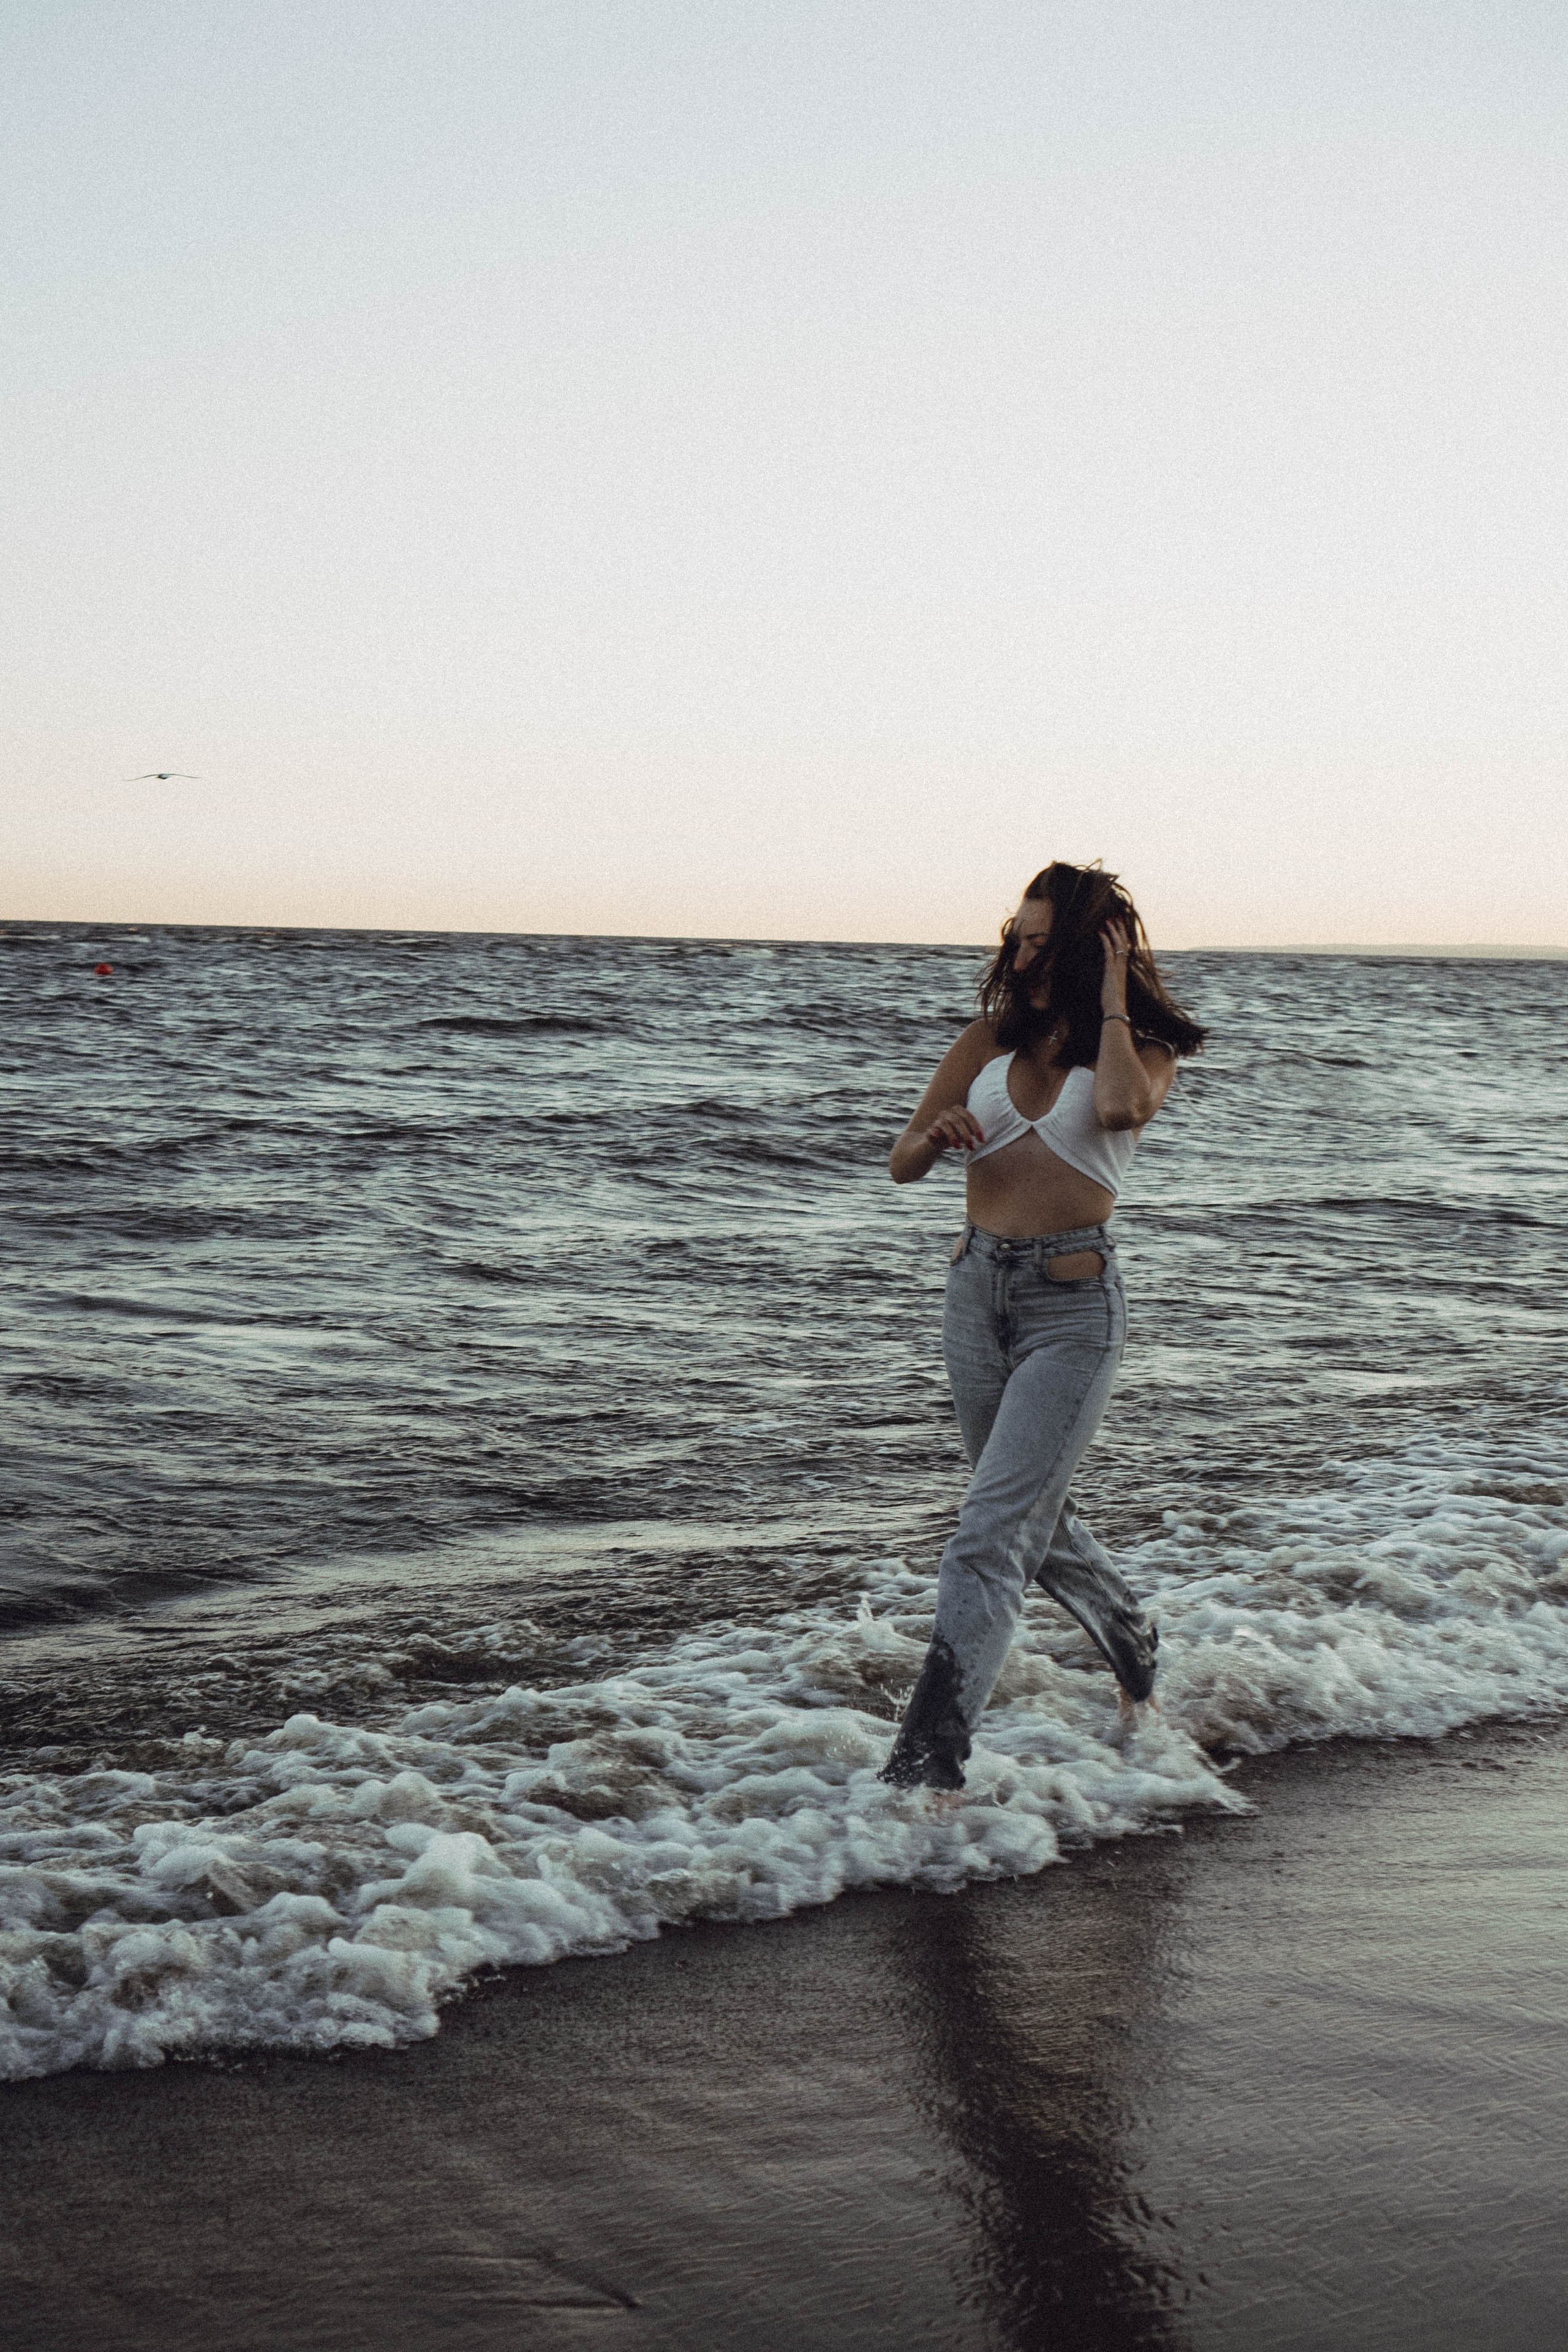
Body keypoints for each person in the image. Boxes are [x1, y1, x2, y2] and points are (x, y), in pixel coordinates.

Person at [879, 861, 1207, 1791]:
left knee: (989, 1532)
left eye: (1039, 942)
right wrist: (936, 1137)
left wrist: (1107, 998)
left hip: (1074, 1310)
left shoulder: (1141, 1049)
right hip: (974, 1297)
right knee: (1024, 1516)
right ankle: (1130, 1631)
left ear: (1087, 950)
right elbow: (900, 1162)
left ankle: (926, 1765)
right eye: (1014, 938)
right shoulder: (985, 1040)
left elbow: (1118, 1109)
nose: (1019, 956)